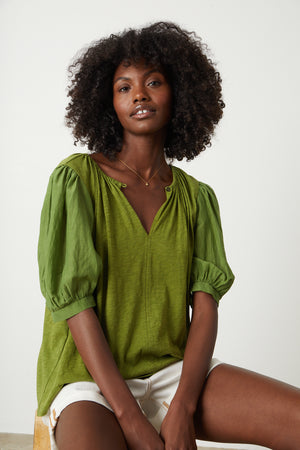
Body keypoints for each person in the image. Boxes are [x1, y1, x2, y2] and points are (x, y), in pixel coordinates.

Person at [36, 21, 300, 450]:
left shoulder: (197, 199)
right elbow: (74, 306)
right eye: (124, 87)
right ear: (107, 102)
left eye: (153, 82)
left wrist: (182, 407)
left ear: (180, 93)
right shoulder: (76, 181)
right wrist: (134, 422)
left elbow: (205, 309)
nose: (139, 94)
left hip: (170, 372)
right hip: (89, 378)